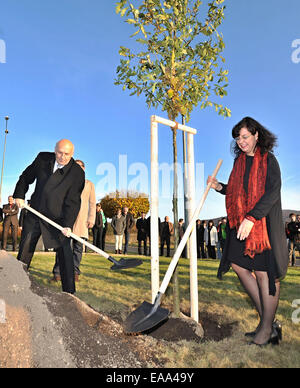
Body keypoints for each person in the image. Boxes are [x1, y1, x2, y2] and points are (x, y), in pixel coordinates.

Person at [208, 116, 289, 346]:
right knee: (238, 264)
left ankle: (266, 330)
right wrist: (219, 187)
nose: (241, 142)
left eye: (245, 137)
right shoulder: (239, 162)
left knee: (265, 274)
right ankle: (269, 322)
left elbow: (273, 192)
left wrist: (252, 218)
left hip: (263, 226)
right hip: (241, 224)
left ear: (256, 136)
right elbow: (235, 190)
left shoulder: (269, 160)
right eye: (238, 138)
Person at [13, 139, 85, 294]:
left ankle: (69, 293)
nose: (62, 157)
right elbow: (26, 177)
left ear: (72, 154)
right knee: (25, 248)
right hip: (36, 212)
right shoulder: (42, 159)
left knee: (65, 253)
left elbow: (73, 202)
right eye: (59, 152)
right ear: (54, 150)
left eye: (67, 154)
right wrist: (19, 195)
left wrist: (68, 224)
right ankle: (17, 284)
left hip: (58, 219)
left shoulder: (77, 173)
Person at [52, 160, 96, 281]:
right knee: (62, 246)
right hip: (66, 219)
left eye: (80, 166)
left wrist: (91, 218)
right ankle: (57, 273)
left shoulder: (89, 184)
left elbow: (92, 203)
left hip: (82, 220)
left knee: (78, 248)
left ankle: (75, 272)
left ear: (84, 168)